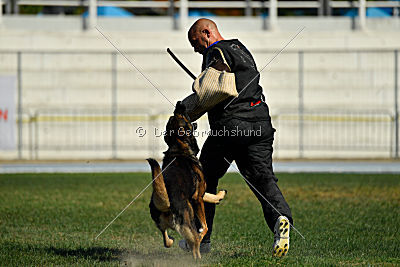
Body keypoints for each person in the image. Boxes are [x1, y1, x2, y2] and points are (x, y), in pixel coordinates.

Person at [179, 18, 293, 257]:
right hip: (260, 124)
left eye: (195, 41)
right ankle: (280, 220)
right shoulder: (240, 49)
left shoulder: (216, 52)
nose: (194, 48)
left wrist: (184, 108)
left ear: (207, 33)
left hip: (232, 126)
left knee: (204, 178)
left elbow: (214, 88)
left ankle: (201, 236)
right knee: (263, 180)